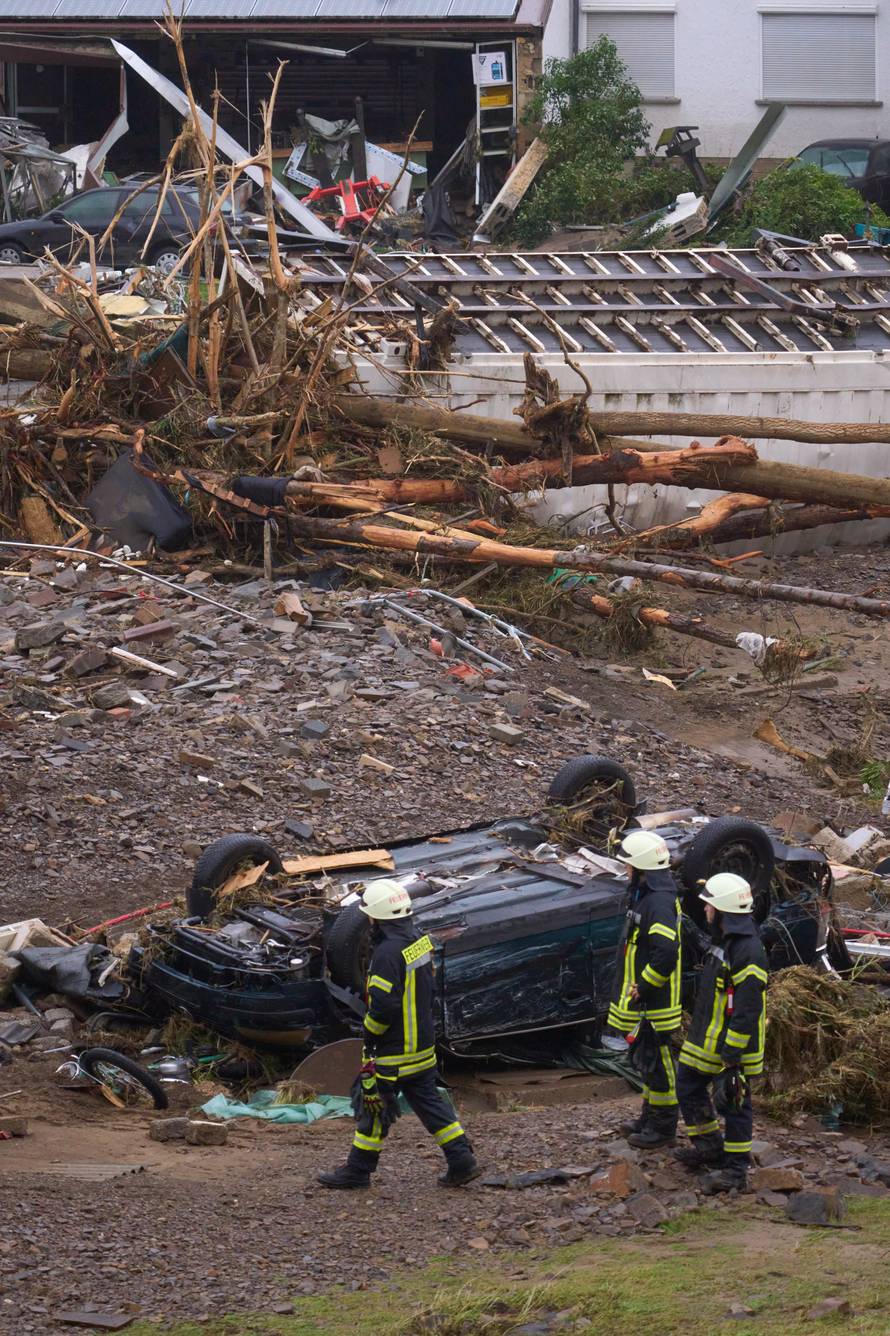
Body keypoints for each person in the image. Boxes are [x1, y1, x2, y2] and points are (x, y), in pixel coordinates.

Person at [318, 878, 480, 1190]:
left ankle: (358, 1170)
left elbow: (383, 1006)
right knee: (429, 1101)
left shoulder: (387, 954)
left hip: (394, 1051)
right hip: (422, 1045)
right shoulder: (419, 940)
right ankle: (462, 1160)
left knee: (372, 1102)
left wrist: (369, 1033)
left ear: (376, 918)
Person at [675, 871, 768, 1194]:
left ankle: (735, 1172)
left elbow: (747, 1009)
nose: (705, 911)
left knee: (735, 1104)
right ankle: (710, 1148)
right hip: (708, 1040)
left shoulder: (748, 951)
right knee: (687, 1084)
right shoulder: (726, 941)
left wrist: (732, 1055)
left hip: (731, 1048)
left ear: (724, 910)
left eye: (709, 906)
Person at [606, 829, 683, 1149]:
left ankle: (663, 1128)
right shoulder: (648, 896)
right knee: (647, 1060)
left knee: (661, 1064)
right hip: (648, 1000)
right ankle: (648, 1118)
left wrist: (646, 986)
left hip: (657, 1002)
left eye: (628, 866)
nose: (625, 871)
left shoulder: (659, 903)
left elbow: (666, 951)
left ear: (641, 868)